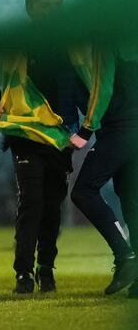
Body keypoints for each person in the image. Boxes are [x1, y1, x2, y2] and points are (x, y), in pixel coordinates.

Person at [0, 0, 93, 293]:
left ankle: (46, 267)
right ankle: (23, 273)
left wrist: (92, 125)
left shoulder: (72, 49)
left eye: (56, 7)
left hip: (60, 137)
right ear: (30, 9)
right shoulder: (17, 47)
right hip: (24, 133)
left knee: (51, 204)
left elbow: (86, 93)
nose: (51, 13)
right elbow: (0, 86)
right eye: (44, 7)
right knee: (31, 202)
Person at [69, 40, 138, 295]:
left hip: (120, 127)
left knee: (84, 191)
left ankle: (124, 256)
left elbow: (103, 86)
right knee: (131, 199)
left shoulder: (104, 41)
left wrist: (86, 129)